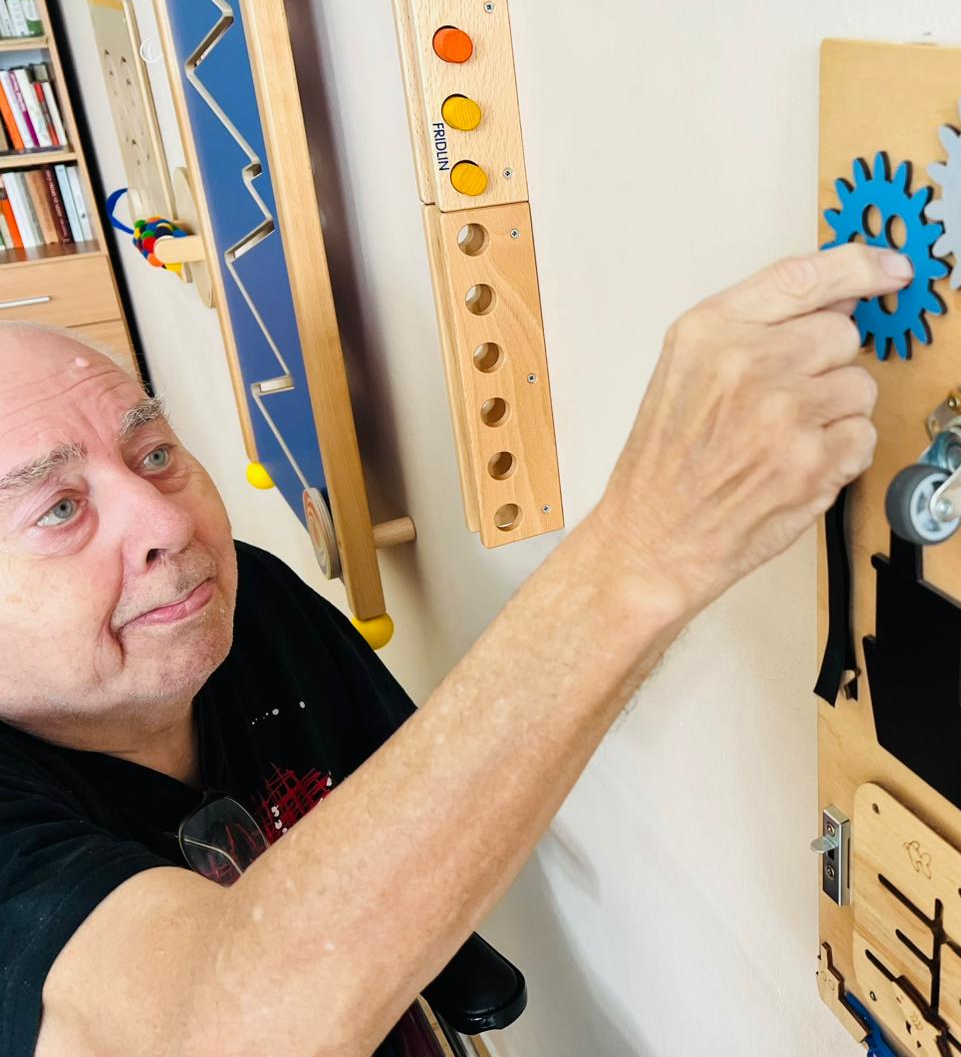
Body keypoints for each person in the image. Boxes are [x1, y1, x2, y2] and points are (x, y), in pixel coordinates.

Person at [0, 243, 911, 1056]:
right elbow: (211, 1031)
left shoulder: (247, 604)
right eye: (60, 509)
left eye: (154, 455)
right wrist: (643, 552)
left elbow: (436, 783)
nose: (166, 524)